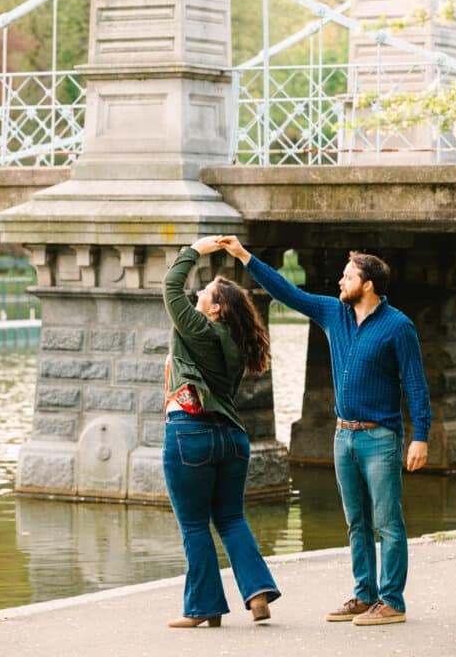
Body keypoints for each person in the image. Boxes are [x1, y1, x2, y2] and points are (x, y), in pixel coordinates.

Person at [211, 234, 431, 627]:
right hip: (343, 435)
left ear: (368, 284)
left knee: (387, 523)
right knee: (356, 521)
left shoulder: (399, 327)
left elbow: (415, 384)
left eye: (348, 276)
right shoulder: (334, 313)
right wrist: (245, 256)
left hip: (381, 437)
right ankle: (365, 596)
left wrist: (421, 436)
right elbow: (287, 292)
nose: (340, 282)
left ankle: (392, 601)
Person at [162, 237, 280, 628]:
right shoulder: (233, 341)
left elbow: (169, 287)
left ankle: (204, 608)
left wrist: (194, 248)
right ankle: (257, 591)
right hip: (231, 438)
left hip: (190, 434)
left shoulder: (201, 329)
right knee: (230, 518)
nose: (199, 293)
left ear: (215, 309)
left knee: (195, 524)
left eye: (207, 292)